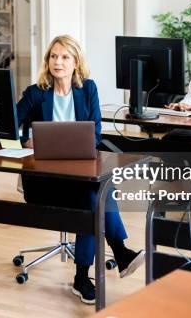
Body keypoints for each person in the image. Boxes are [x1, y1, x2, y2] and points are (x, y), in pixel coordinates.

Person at [16, 35, 145, 305]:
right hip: (46, 180)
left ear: (76, 62)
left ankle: (83, 276)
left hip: (82, 173)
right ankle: (118, 253)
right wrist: (23, 141)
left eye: (64, 57)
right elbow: (5, 127)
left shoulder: (88, 89)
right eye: (53, 56)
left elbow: (96, 134)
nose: (58, 62)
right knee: (95, 197)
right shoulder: (35, 93)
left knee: (93, 197)